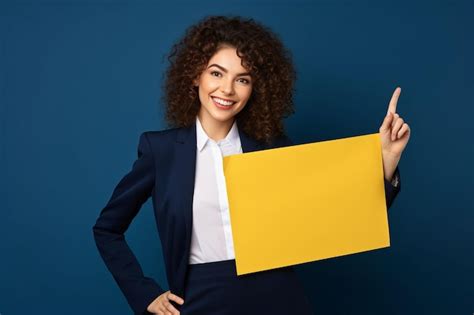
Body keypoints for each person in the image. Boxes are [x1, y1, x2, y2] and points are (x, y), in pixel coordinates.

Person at [92, 15, 409, 315]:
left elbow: (342, 216)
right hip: (199, 298)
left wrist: (387, 160)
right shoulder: (160, 150)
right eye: (216, 73)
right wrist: (145, 293)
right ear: (195, 75)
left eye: (241, 79)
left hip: (278, 297)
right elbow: (107, 229)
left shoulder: (271, 149)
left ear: (254, 88)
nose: (227, 90)